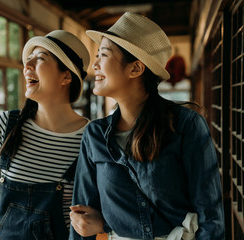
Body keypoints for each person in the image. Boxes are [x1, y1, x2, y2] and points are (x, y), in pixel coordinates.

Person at [69, 12, 225, 240]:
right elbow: (81, 218)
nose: (95, 64)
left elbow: (211, 219)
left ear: (135, 69)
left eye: (103, 55)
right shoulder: (95, 134)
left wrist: (106, 222)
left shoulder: (186, 125)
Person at [0, 29, 90, 240]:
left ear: (66, 76)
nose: (27, 67)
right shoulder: (5, 125)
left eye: (40, 59)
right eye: (28, 60)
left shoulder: (90, 138)